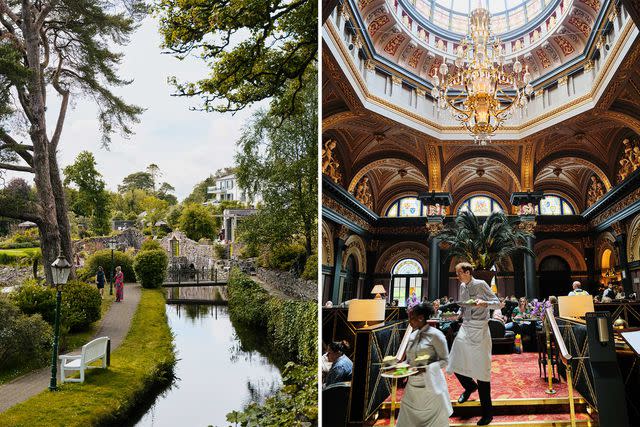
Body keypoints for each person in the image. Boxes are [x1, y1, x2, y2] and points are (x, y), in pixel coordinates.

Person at [447, 262, 500, 426]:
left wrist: (485, 304)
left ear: (468, 272)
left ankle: (487, 413)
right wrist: (456, 315)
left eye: (459, 273)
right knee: (454, 359)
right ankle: (469, 386)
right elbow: (464, 306)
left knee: (482, 370)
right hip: (466, 326)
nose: (458, 277)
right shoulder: (463, 286)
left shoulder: (481, 284)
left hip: (481, 328)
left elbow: (497, 303)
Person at [397, 302, 452, 427]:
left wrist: (427, 368)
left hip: (431, 386)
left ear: (421, 318)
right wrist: (399, 366)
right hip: (412, 387)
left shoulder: (436, 335)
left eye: (411, 318)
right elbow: (409, 360)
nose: (409, 321)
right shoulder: (412, 335)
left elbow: (445, 360)